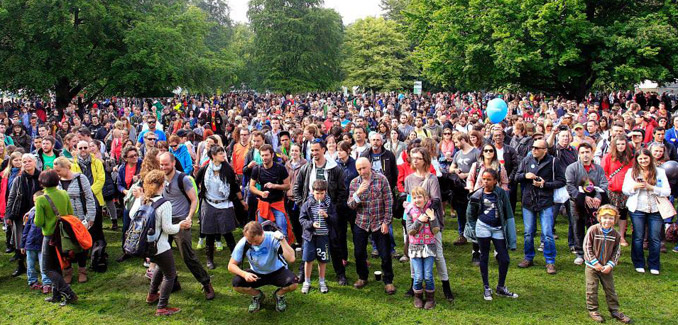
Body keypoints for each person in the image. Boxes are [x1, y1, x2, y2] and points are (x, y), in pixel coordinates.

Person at [134, 170, 192, 316]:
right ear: (162, 185)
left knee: (160, 266)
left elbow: (131, 215)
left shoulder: (143, 199)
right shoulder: (164, 203)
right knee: (170, 275)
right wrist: (181, 225)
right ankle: (162, 307)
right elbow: (168, 229)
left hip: (146, 245)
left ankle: (152, 294)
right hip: (160, 246)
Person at [158, 152, 215, 299]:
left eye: (166, 164)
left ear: (173, 163)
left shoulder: (183, 178)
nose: (163, 167)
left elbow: (194, 200)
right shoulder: (160, 178)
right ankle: (173, 283)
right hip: (165, 221)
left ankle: (206, 283)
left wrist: (189, 218)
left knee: (187, 256)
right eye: (161, 164)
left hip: (181, 222)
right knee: (162, 254)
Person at [294, 139, 348, 285]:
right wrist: (302, 205)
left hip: (328, 213)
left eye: (317, 150)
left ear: (324, 149)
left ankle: (340, 274)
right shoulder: (306, 168)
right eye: (312, 150)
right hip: (311, 213)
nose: (314, 153)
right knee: (308, 241)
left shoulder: (334, 169)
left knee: (334, 243)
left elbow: (343, 191)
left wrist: (333, 208)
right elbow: (296, 188)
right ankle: (303, 273)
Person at [465, 168, 518, 301]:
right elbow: (470, 214)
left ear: (495, 181)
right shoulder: (477, 195)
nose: (486, 182)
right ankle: (486, 287)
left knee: (504, 258)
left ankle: (500, 287)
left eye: (489, 179)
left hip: (498, 228)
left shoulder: (501, 193)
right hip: (482, 227)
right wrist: (473, 228)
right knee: (484, 256)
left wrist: (511, 233)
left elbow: (508, 211)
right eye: (484, 179)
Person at [515, 139, 565, 274]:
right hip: (528, 200)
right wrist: (525, 175)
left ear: (545, 150)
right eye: (533, 147)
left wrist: (544, 184)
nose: (534, 150)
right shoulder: (527, 160)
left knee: (548, 233)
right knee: (528, 233)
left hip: (545, 201)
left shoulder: (553, 161)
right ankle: (528, 258)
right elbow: (516, 177)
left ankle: (550, 262)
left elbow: (561, 181)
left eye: (537, 148)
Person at [348, 157, 395, 294]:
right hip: (361, 222)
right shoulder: (354, 183)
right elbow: (350, 205)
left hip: (379, 222)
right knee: (359, 252)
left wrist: (386, 222)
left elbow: (389, 201)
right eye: (359, 169)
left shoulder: (381, 179)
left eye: (364, 167)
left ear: (370, 166)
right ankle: (362, 277)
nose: (362, 171)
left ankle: (388, 281)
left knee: (385, 254)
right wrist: (358, 193)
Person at [229, 221, 297, 313]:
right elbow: (231, 265)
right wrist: (244, 274)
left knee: (293, 283)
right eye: (250, 241)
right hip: (257, 273)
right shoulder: (244, 242)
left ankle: (278, 295)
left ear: (262, 233)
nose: (253, 244)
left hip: (277, 271)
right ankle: (257, 296)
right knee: (236, 284)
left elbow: (291, 259)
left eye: (256, 241)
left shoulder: (273, 238)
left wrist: (282, 239)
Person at [194, 146, 244, 269]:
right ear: (213, 156)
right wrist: (200, 191)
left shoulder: (227, 169)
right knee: (210, 233)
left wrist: (242, 201)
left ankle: (236, 257)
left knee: (227, 233)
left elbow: (234, 186)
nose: (223, 155)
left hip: (224, 203)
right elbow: (196, 181)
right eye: (220, 153)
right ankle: (209, 259)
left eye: (223, 153)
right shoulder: (205, 169)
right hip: (209, 203)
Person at [622, 148, 669, 275]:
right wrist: (635, 187)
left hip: (656, 208)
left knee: (655, 238)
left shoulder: (660, 172)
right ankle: (638, 262)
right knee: (638, 237)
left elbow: (667, 191)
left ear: (650, 158)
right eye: (640, 158)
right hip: (637, 208)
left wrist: (651, 187)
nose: (643, 160)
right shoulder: (631, 172)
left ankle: (654, 264)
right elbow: (625, 190)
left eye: (645, 158)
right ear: (637, 160)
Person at [34, 170, 77, 306]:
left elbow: (38, 222)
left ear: (42, 183)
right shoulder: (63, 193)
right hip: (62, 235)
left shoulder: (41, 199)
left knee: (47, 268)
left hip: (49, 236)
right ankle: (56, 295)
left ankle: (68, 293)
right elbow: (70, 213)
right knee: (56, 266)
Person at [582, 205, 632, 324]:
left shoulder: (615, 234)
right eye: (605, 218)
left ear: (615, 220)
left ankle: (614, 310)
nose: (607, 220)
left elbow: (616, 252)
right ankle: (593, 310)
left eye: (611, 218)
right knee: (592, 288)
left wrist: (610, 265)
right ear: (599, 218)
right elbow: (587, 247)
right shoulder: (593, 230)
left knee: (610, 289)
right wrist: (595, 263)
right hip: (592, 267)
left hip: (606, 268)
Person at [53, 157, 96, 283]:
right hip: (64, 220)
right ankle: (68, 271)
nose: (57, 173)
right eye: (55, 171)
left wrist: (90, 217)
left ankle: (82, 270)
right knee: (65, 246)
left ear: (67, 167)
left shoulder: (81, 178)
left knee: (80, 245)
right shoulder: (57, 182)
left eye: (59, 170)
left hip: (80, 218)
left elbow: (89, 198)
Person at [565, 143, 609, 266]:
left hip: (595, 204)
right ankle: (580, 253)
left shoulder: (598, 169)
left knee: (594, 227)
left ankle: (594, 252)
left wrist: (598, 197)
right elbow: (570, 185)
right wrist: (583, 198)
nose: (585, 155)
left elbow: (604, 184)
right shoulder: (572, 168)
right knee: (577, 226)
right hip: (577, 203)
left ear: (592, 153)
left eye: (587, 152)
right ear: (579, 154)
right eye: (583, 152)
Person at [6, 153, 42, 277]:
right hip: (20, 213)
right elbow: (11, 196)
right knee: (20, 240)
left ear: (34, 162)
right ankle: (21, 265)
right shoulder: (18, 179)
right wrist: (8, 214)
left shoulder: (41, 177)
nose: (26, 164)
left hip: (38, 212)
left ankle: (42, 265)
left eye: (29, 161)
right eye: (24, 162)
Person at [405, 186, 440, 309]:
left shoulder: (430, 210)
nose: (416, 200)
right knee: (418, 276)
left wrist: (432, 218)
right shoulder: (410, 211)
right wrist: (419, 220)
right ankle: (418, 297)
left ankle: (430, 298)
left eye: (419, 197)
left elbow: (436, 230)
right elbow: (410, 231)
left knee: (428, 275)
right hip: (415, 248)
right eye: (414, 197)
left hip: (429, 247)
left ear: (426, 198)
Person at [299, 179, 335, 294]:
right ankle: (307, 281)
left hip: (323, 236)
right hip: (310, 237)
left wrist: (327, 216)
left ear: (326, 192)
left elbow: (336, 219)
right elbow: (302, 219)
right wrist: (311, 224)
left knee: (322, 260)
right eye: (317, 193)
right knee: (308, 260)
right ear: (312, 192)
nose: (319, 196)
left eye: (322, 193)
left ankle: (322, 281)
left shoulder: (329, 204)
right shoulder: (307, 204)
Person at [601, 135, 633, 247]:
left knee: (623, 214)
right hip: (612, 190)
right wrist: (609, 182)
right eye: (618, 144)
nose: (620, 146)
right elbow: (603, 172)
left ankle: (621, 236)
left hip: (625, 190)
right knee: (611, 213)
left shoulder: (630, 157)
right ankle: (609, 235)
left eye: (623, 144)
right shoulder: (608, 157)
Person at [20, 190, 52, 293]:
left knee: (44, 265)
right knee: (30, 265)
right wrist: (22, 245)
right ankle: (32, 282)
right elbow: (26, 230)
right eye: (34, 202)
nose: (36, 204)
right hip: (30, 243)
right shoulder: (32, 213)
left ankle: (46, 283)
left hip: (42, 244)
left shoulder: (48, 213)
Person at [284, 143, 307, 245]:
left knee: (303, 222)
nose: (294, 153)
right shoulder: (287, 165)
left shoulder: (305, 164)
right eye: (292, 150)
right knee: (294, 223)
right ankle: (299, 241)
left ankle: (305, 242)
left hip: (301, 199)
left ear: (300, 152)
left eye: (296, 151)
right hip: (289, 198)